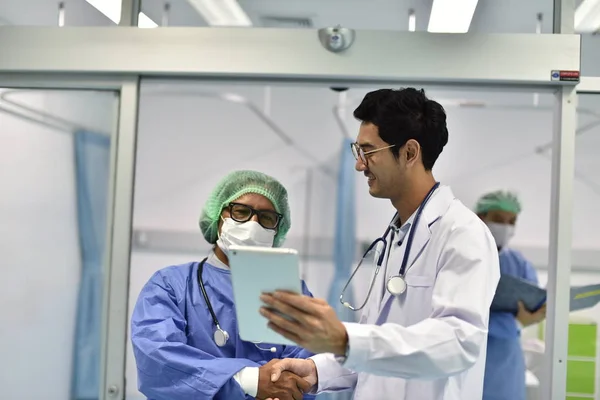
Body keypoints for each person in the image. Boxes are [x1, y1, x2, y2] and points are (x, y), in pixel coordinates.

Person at [258, 88, 501, 400]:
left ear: (410, 153)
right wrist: (317, 369)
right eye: (358, 153)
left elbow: (458, 343)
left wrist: (345, 339)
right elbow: (377, 353)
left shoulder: (463, 233)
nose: (360, 166)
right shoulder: (396, 236)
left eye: (369, 152)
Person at [131, 170, 315, 400]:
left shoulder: (293, 293)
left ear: (278, 228)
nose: (253, 224)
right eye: (241, 212)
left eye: (267, 217)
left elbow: (308, 367)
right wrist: (251, 380)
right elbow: (158, 359)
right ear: (219, 216)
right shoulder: (170, 286)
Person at [475, 190, 546, 400]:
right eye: (498, 219)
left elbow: (534, 302)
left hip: (506, 364)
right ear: (481, 217)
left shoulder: (518, 262)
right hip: (472, 355)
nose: (505, 227)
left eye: (511, 221)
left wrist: (538, 312)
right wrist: (513, 323)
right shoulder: (462, 257)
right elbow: (462, 316)